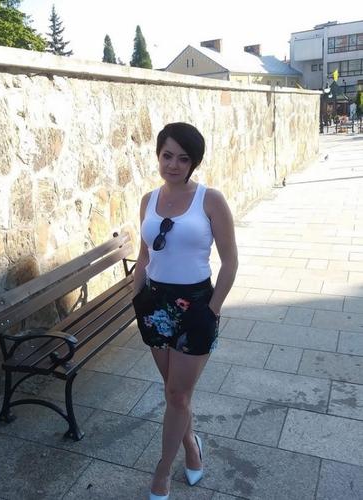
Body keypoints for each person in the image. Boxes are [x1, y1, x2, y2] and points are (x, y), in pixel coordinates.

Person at [131, 122, 238, 499]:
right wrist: (137, 298)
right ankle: (192, 446)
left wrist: (212, 309)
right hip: (155, 306)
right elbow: (144, 256)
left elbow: (230, 262)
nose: (173, 165)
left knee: (177, 395)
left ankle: (162, 471)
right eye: (167, 156)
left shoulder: (211, 200)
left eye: (182, 158)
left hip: (196, 306)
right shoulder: (148, 200)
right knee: (174, 393)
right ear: (158, 156)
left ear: (194, 162)